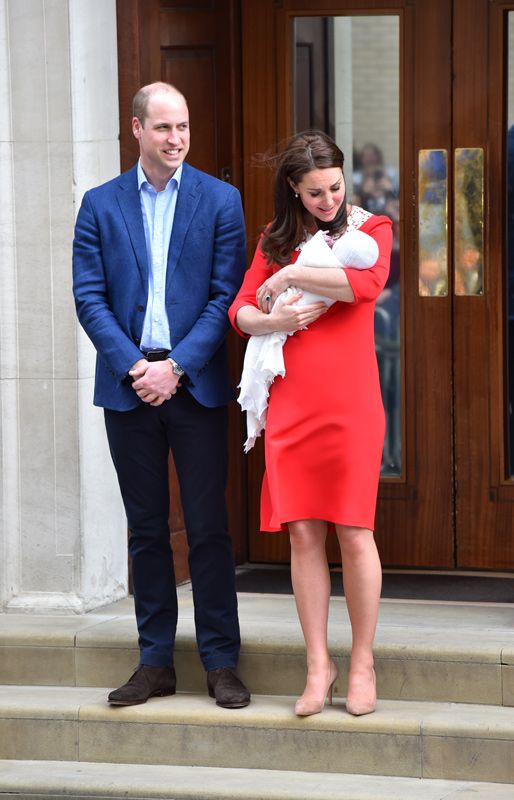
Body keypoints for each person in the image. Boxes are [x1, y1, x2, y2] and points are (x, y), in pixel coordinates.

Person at [73, 81, 250, 709]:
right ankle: (154, 663)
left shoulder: (221, 200)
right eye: (164, 128)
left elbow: (225, 295)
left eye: (184, 128)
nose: (176, 139)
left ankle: (220, 661)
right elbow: (89, 297)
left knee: (207, 529)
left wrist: (175, 366)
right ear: (137, 128)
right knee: (147, 529)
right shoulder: (99, 204)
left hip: (194, 386)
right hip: (129, 390)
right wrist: (135, 368)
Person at [229, 130, 392, 717]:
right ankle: (318, 665)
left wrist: (292, 278)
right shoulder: (275, 240)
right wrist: (270, 321)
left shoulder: (371, 228)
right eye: (315, 192)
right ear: (294, 191)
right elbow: (241, 310)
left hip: (350, 403)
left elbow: (365, 285)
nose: (328, 200)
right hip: (293, 402)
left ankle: (364, 662)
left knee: (353, 531)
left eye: (334, 187)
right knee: (303, 533)